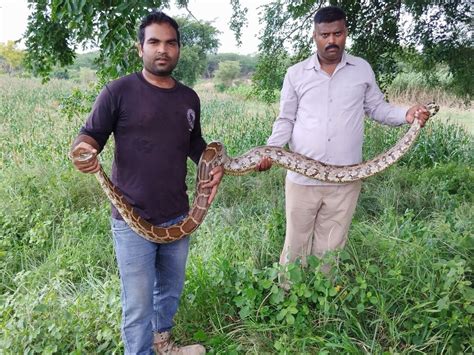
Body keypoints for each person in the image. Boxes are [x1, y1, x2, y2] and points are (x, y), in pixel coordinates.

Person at [69, 11, 223, 355]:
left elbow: (195, 144)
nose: (162, 50)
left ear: (179, 49)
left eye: (170, 43)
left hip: (178, 216)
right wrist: (84, 150)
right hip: (131, 218)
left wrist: (211, 164)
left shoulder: (188, 98)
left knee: (169, 290)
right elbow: (90, 135)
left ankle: (162, 345)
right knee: (138, 304)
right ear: (141, 48)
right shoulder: (118, 91)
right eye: (154, 42)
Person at [255, 6, 431, 275]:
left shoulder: (361, 69)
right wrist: (272, 151)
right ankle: (288, 296)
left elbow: (377, 109)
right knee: (295, 243)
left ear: (346, 33)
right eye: (325, 34)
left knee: (331, 246)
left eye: (337, 33)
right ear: (315, 36)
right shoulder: (296, 73)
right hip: (302, 181)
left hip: (347, 178)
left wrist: (405, 114)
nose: (332, 40)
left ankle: (322, 302)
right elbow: (285, 120)